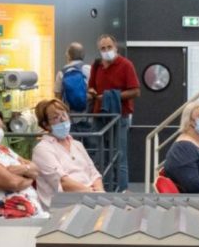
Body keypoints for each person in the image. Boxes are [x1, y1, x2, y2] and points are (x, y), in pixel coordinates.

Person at [88, 34, 140, 191]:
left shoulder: (126, 65)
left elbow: (136, 91)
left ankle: (123, 190)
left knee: (120, 156)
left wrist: (111, 95)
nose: (106, 50)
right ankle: (105, 188)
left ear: (115, 47)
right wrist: (91, 92)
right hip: (99, 115)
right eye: (103, 48)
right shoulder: (96, 66)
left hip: (119, 116)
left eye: (109, 47)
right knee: (100, 155)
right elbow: (91, 86)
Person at [31, 99, 104, 209]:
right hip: (64, 206)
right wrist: (94, 195)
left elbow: (94, 173)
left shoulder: (77, 144)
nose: (63, 120)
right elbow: (63, 183)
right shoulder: (42, 149)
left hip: (89, 198)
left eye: (64, 115)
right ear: (46, 125)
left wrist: (100, 191)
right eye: (56, 118)